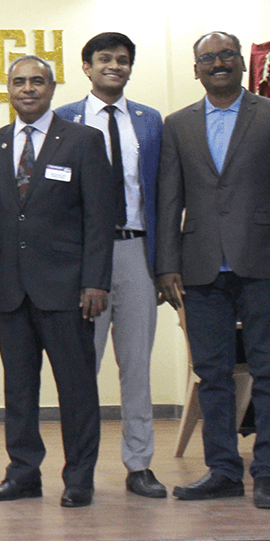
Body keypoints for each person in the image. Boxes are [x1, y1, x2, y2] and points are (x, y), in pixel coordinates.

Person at [157, 31, 270, 510]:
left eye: (226, 55)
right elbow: (170, 199)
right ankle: (223, 470)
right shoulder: (177, 124)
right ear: (196, 69)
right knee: (213, 375)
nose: (218, 63)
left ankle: (269, 474)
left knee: (268, 371)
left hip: (264, 265)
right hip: (200, 267)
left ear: (241, 64)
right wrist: (165, 265)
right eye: (208, 58)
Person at [0, 55, 113, 508]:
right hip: (9, 289)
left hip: (68, 289)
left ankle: (79, 477)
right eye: (18, 82)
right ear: (7, 89)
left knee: (77, 388)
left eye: (36, 81)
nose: (27, 89)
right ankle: (23, 473)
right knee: (19, 388)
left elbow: (100, 218)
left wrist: (95, 281)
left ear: (51, 88)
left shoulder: (84, 140)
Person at [54, 32, 166, 499]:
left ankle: (139, 464)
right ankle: (80, 467)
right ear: (86, 67)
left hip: (137, 252)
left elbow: (163, 191)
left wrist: (166, 265)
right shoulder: (62, 119)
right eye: (105, 59)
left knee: (136, 365)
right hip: (84, 260)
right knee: (83, 366)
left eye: (123, 60)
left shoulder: (150, 121)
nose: (114, 66)